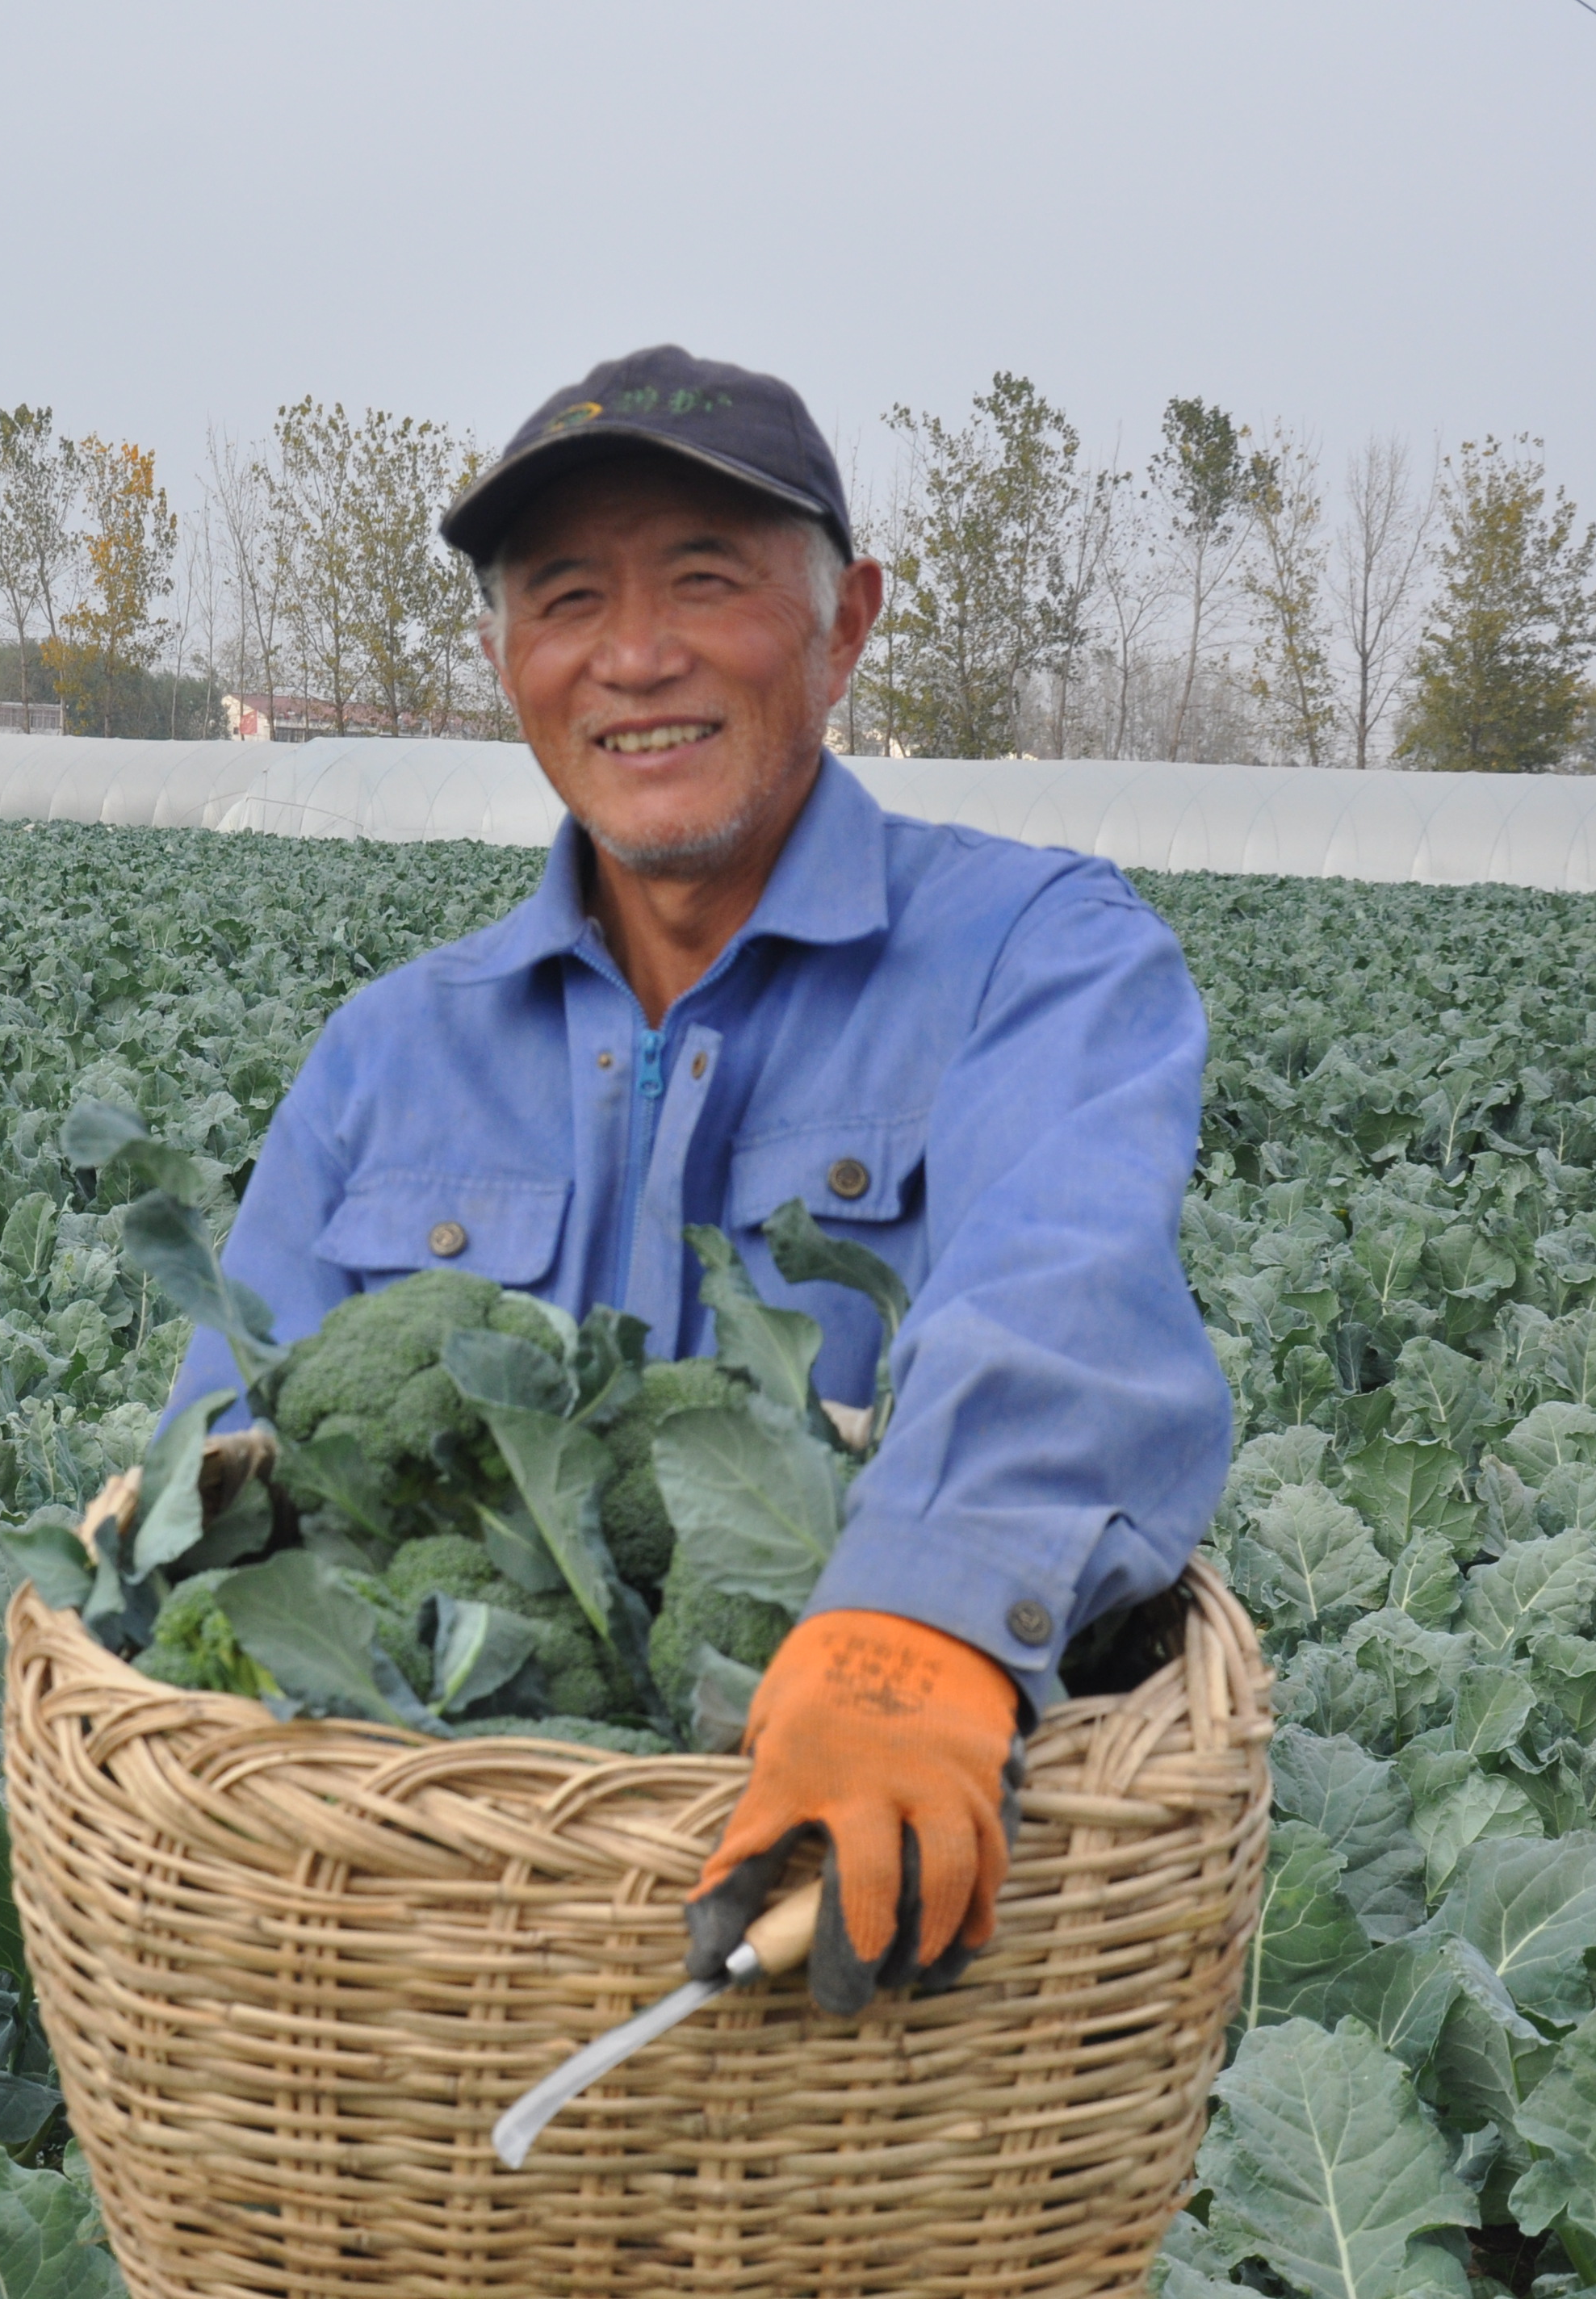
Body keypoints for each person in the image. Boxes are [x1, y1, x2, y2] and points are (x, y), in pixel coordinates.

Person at [159, 345, 1231, 2016]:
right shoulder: (383, 1054)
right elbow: (214, 1454)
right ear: (510, 657)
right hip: (418, 1953)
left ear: (846, 621)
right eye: (566, 596)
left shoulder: (1037, 960)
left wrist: (915, 1626)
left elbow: (1066, 1297)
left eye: (704, 580)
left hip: (860, 1969)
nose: (632, 655)